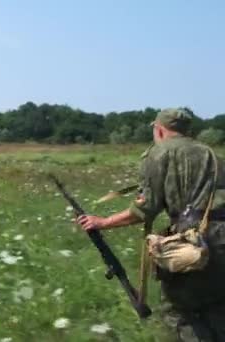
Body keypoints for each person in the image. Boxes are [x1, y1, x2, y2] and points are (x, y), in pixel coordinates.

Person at [76, 108, 225, 341]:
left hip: (194, 242)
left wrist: (103, 222)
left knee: (179, 312)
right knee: (217, 306)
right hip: (222, 240)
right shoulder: (212, 155)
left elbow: (145, 209)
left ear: (160, 130)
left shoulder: (158, 153)